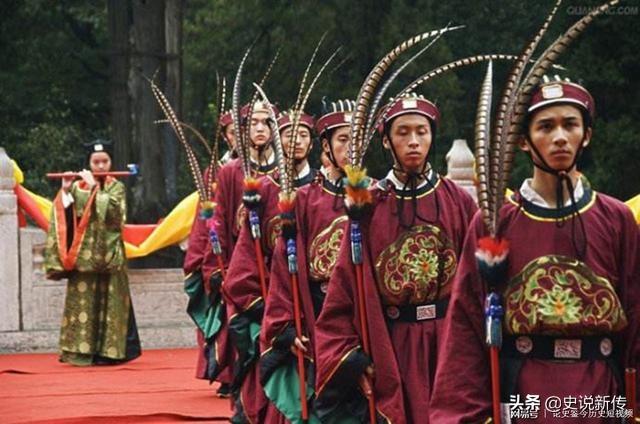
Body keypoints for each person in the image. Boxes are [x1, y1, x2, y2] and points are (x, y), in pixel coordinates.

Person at [429, 80, 640, 423]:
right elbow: (466, 323)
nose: (560, 137)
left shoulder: (616, 219)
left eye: (570, 125)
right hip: (523, 397)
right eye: (545, 126)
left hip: (601, 395)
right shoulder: (495, 222)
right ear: (523, 141)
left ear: (586, 135)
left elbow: (636, 316)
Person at [313, 94, 478, 423]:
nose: (413, 141)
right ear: (386, 140)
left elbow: (478, 284)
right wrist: (352, 356)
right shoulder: (368, 206)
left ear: (432, 136)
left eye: (421, 131)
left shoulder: (458, 202)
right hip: (390, 344)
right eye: (403, 132)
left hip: (450, 342)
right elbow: (344, 290)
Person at [259, 100, 355, 421]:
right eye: (343, 139)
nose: (351, 147)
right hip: (317, 313)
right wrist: (285, 325)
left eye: (358, 139)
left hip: (363, 315)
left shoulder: (378, 197)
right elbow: (283, 269)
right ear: (325, 146)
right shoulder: (304, 200)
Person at [224, 110, 317, 423]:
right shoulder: (263, 190)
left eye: (303, 135)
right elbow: (246, 257)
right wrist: (266, 305)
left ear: (314, 143)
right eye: (290, 135)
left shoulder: (322, 191)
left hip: (313, 304)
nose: (297, 141)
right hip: (271, 299)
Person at [44, 139, 141, 366]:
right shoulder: (78, 187)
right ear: (88, 164)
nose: (100, 166)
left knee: (111, 302)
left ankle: (110, 353)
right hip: (83, 256)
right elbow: (67, 217)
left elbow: (115, 216)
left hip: (110, 255)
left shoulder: (117, 187)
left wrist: (95, 188)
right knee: (83, 303)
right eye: (95, 162)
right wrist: (65, 190)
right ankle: (78, 351)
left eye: (104, 161)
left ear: (111, 162)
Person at [183, 108, 236, 396]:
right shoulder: (216, 171)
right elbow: (205, 217)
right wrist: (204, 256)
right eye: (233, 132)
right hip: (220, 250)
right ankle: (226, 373)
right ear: (226, 137)